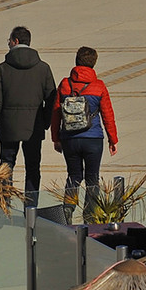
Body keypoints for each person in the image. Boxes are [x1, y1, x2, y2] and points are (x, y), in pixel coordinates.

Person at [0, 26, 56, 204]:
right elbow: (52, 99)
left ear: (15, 41)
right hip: (34, 127)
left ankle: (5, 202)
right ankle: (31, 206)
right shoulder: (43, 68)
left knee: (6, 163)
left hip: (8, 127)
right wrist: (45, 121)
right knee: (33, 167)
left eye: (9, 40)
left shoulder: (3, 69)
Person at [50, 46, 116, 221]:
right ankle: (89, 215)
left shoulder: (65, 84)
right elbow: (108, 115)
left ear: (76, 61)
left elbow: (56, 113)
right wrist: (112, 140)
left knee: (74, 176)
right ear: (94, 63)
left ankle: (68, 210)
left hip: (70, 138)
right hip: (93, 139)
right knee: (92, 178)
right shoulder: (98, 86)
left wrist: (56, 138)